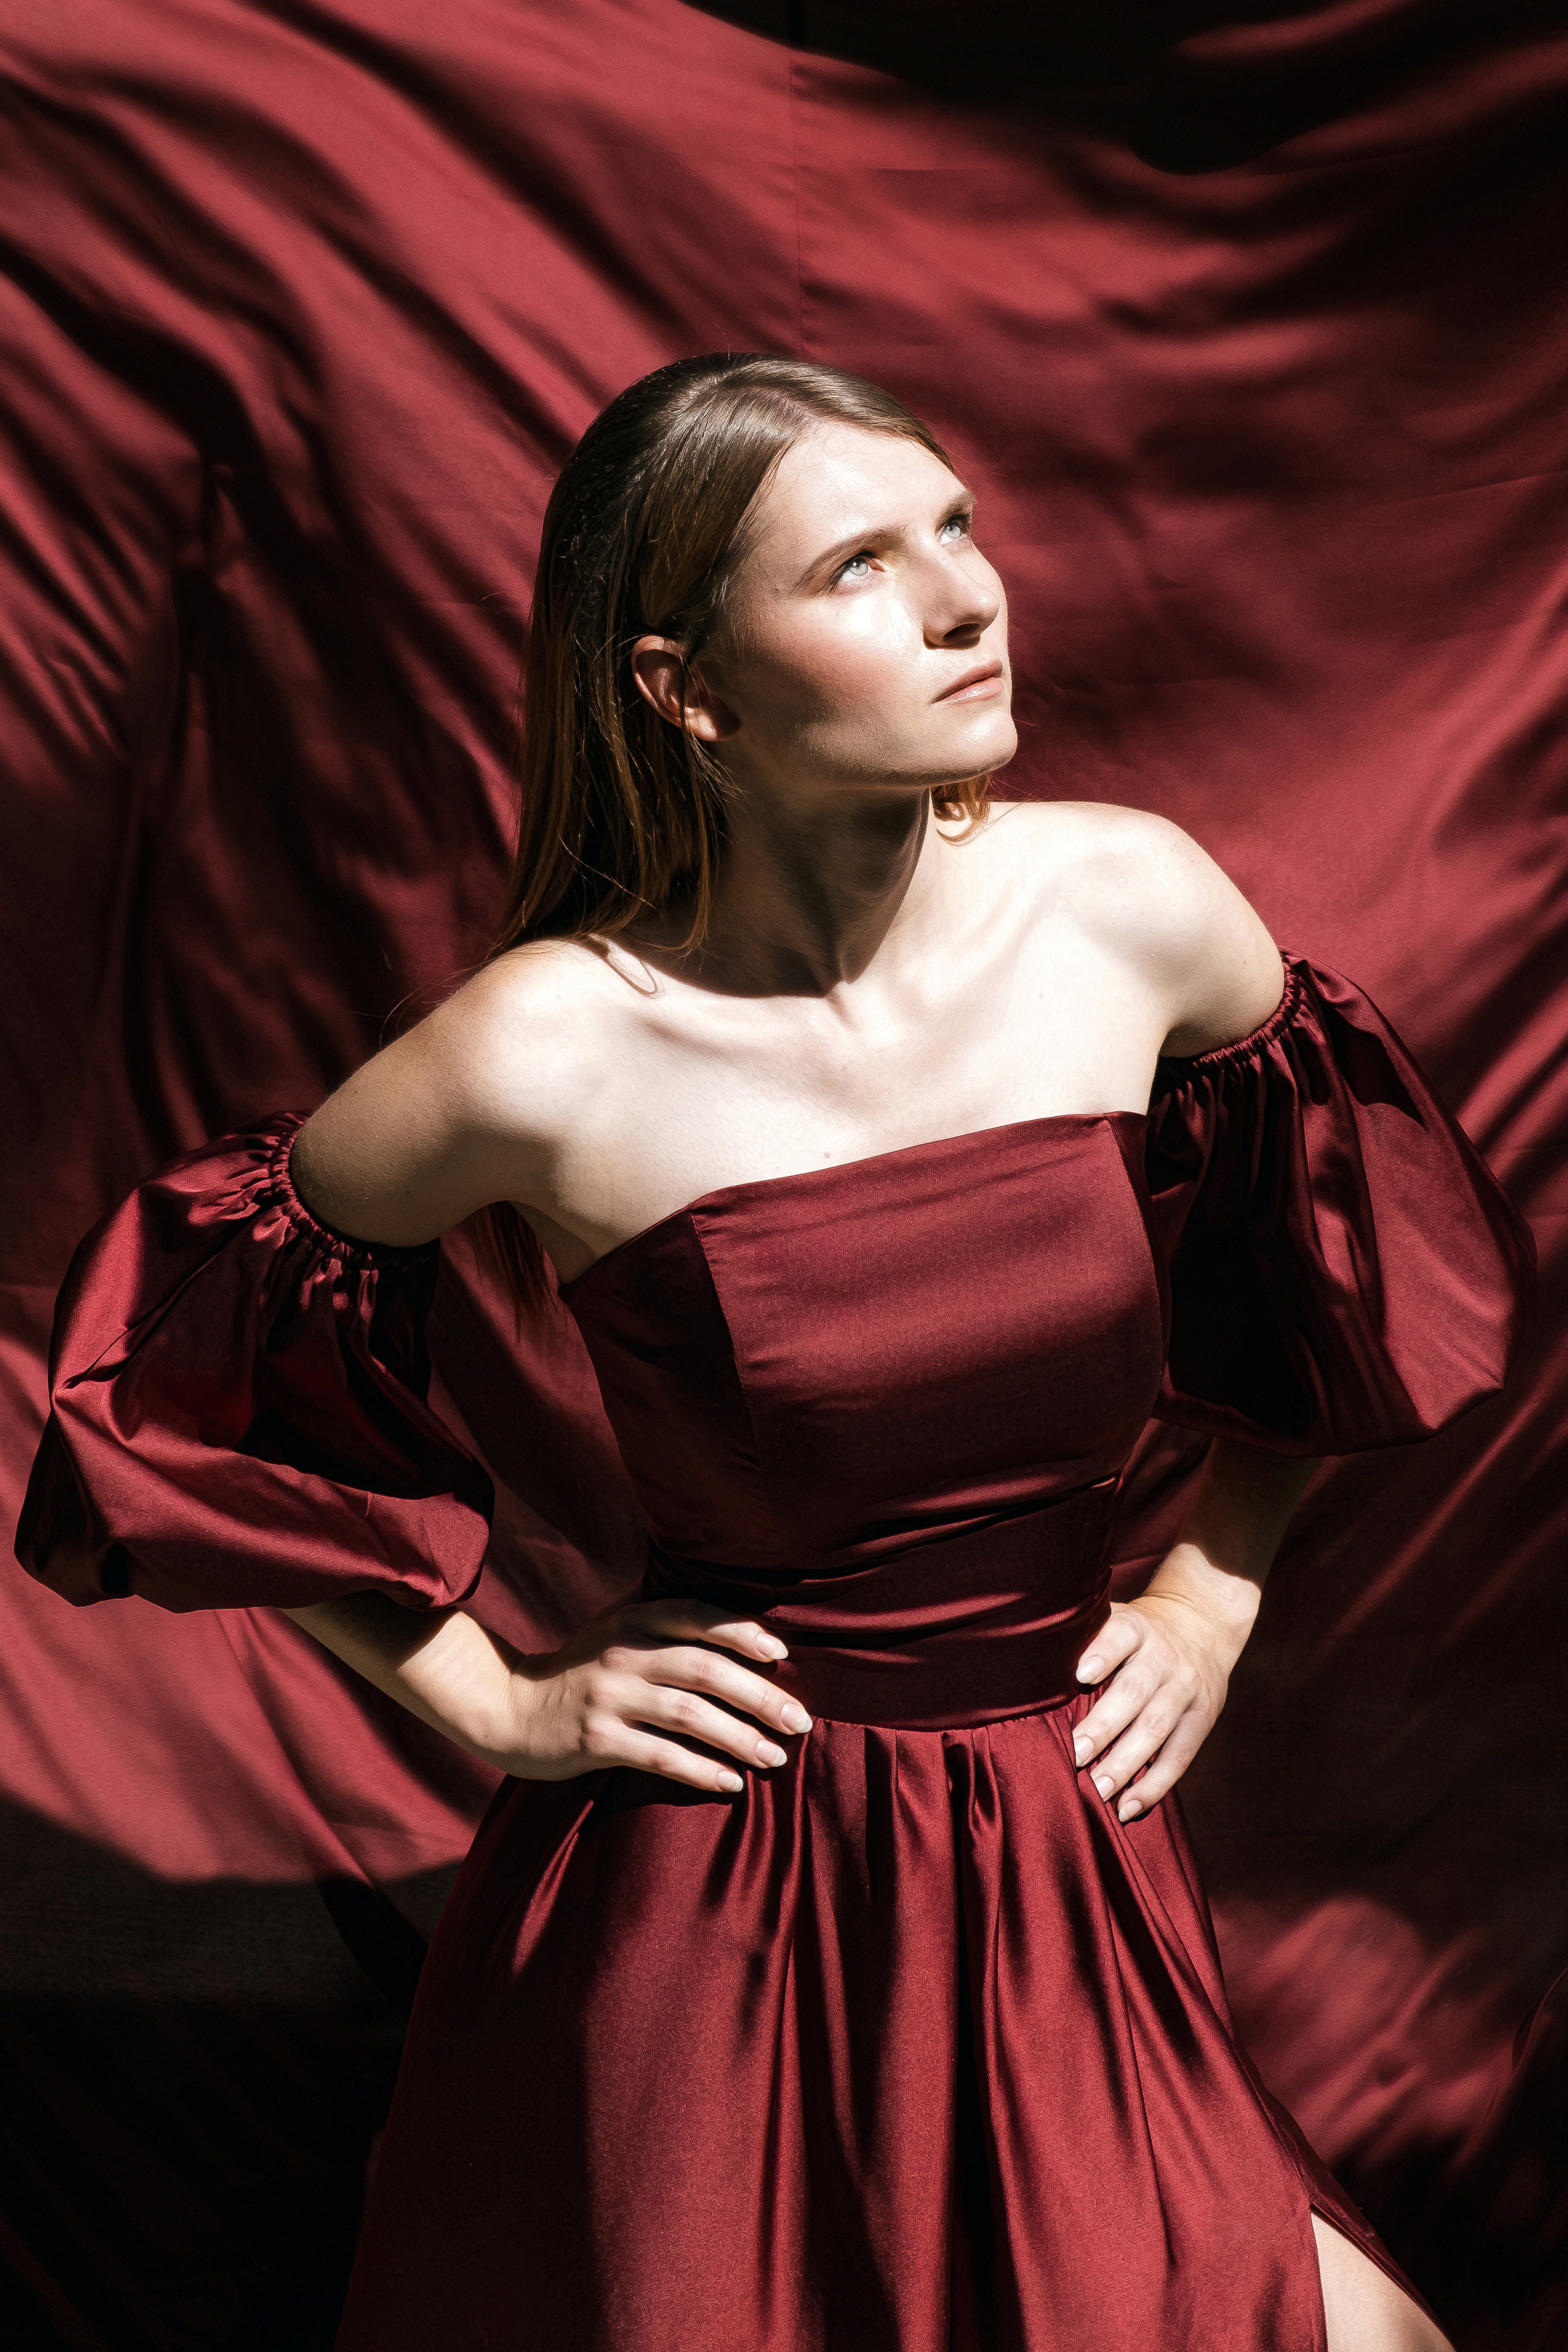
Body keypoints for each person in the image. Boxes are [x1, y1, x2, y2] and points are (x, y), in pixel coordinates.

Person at [19, 354, 1533, 2351]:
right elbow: (163, 1382)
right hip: (730, 1907)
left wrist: (1215, 1582)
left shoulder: (1131, 907)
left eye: (960, 528)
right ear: (686, 690)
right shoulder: (547, 1049)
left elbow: (1339, 1271)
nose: (966, 597)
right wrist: (498, 1705)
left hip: (1064, 1860)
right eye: (859, 564)